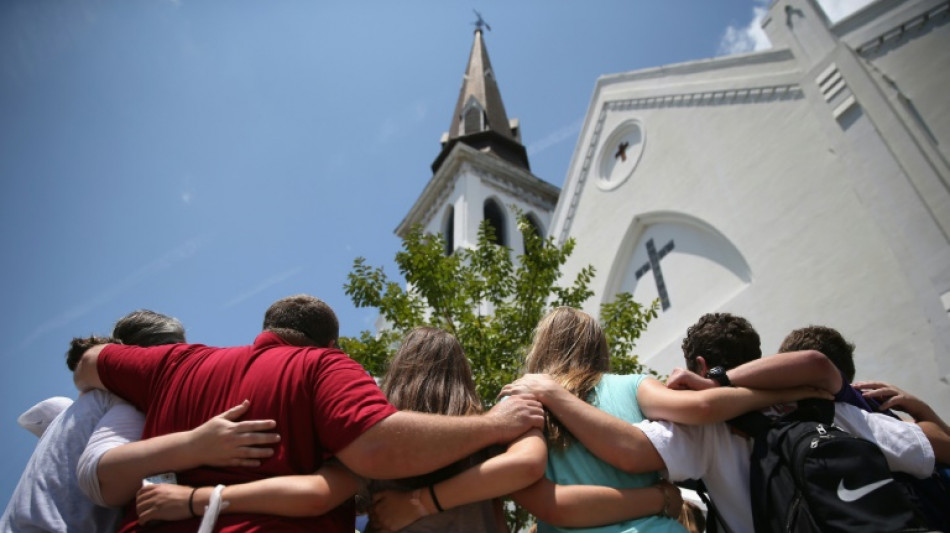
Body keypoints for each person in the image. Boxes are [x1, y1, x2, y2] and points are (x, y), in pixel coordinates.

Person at [72, 294, 544, 533]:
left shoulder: (176, 362)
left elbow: (89, 364)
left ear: (265, 330)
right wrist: (494, 425)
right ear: (332, 345)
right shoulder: (325, 368)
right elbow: (377, 448)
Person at [501, 312, 939, 533]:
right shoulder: (826, 406)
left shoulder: (524, 409)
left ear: (699, 364)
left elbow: (632, 451)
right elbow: (932, 450)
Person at [1, 310, 275, 533]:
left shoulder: (81, 405)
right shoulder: (125, 402)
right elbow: (100, 473)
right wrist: (199, 445)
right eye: (172, 356)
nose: (176, 368)